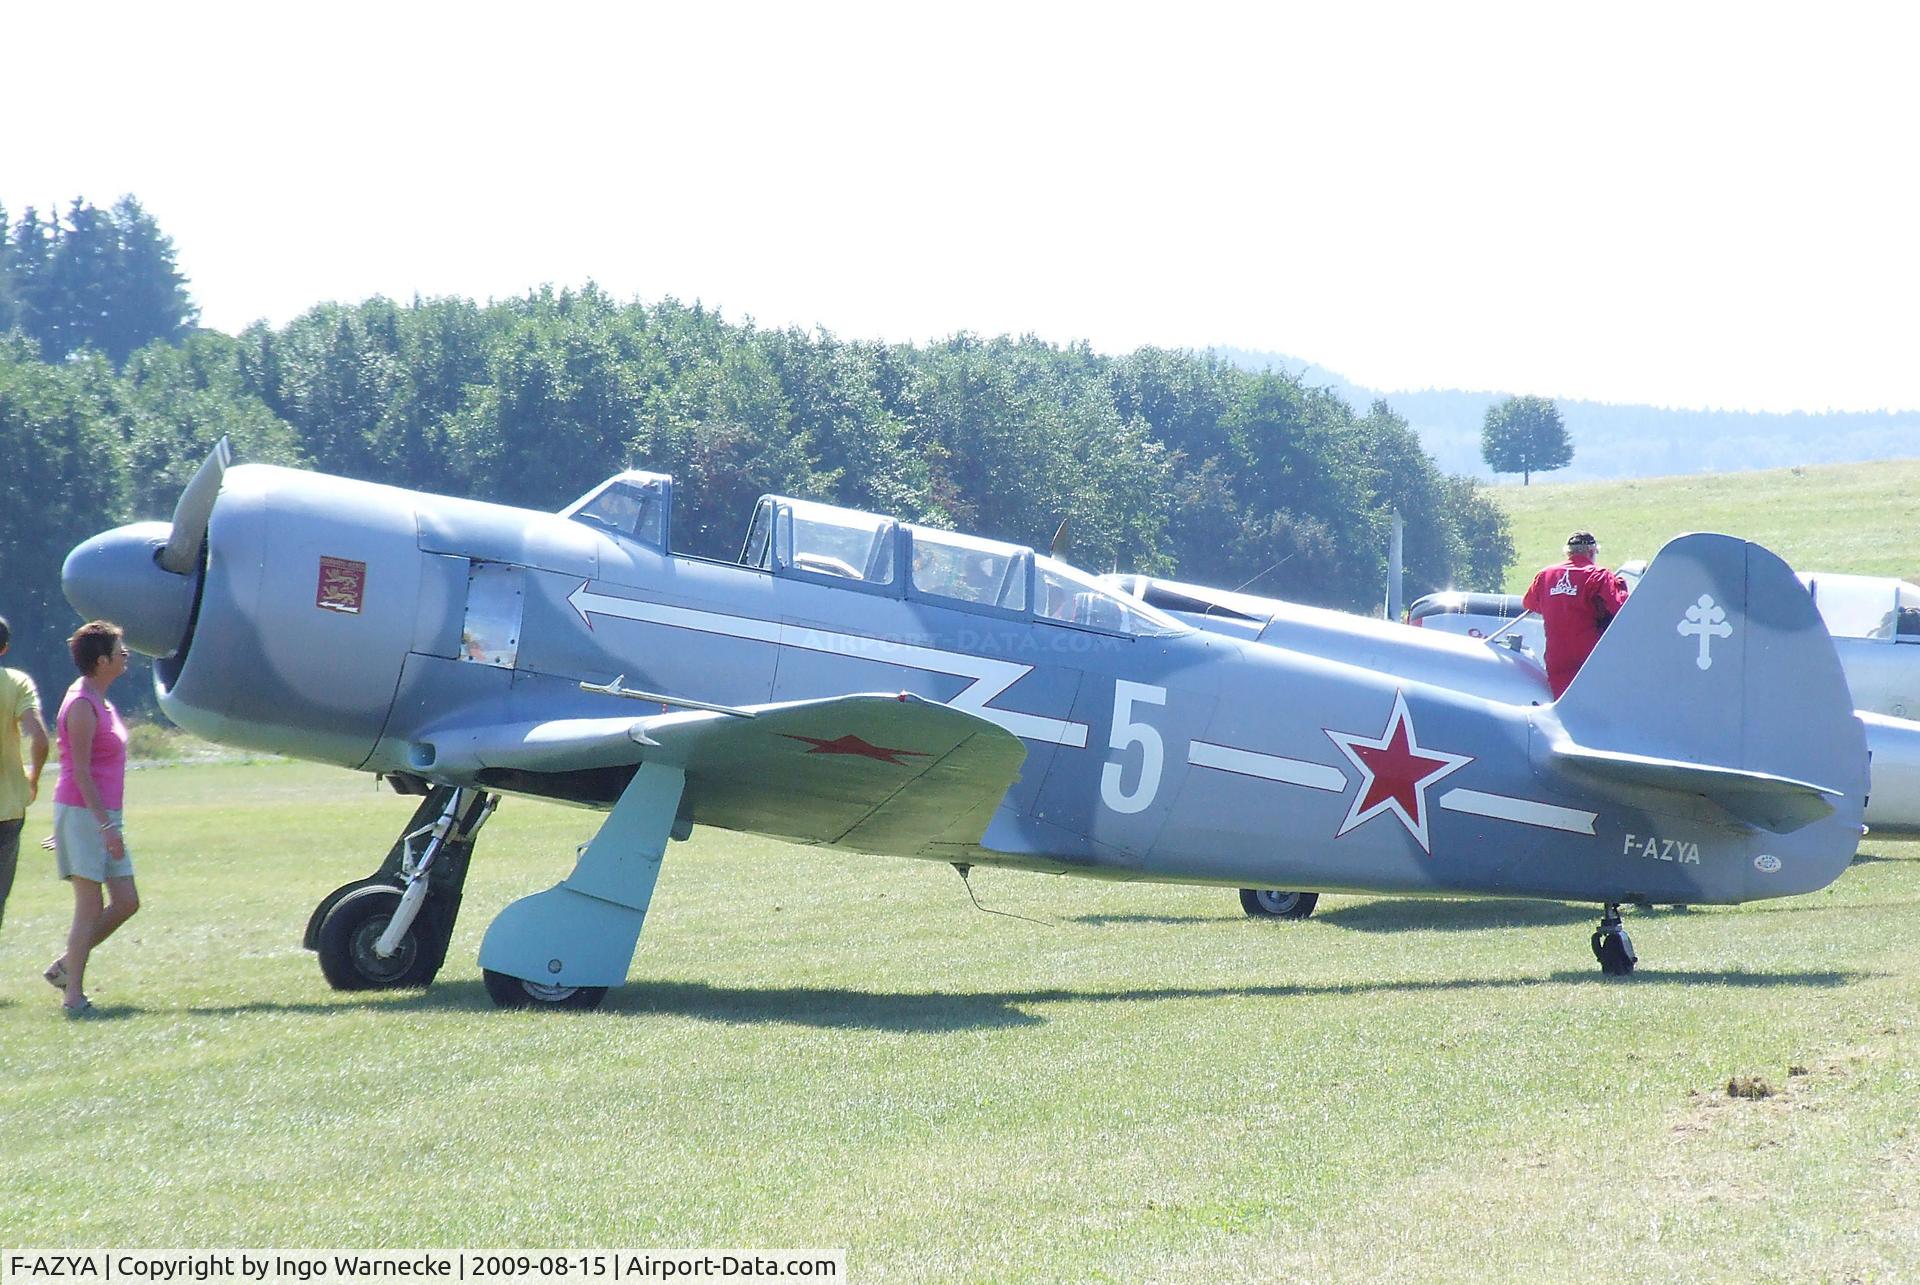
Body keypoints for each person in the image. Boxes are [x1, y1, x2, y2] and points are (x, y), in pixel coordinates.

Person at [43, 621, 139, 1018]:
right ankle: (74, 996)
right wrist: (101, 826)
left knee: (127, 901)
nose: (125, 655)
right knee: (89, 905)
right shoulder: (81, 704)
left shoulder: (102, 699)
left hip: (98, 813)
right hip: (86, 813)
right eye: (120, 650)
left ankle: (66, 966)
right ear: (102, 661)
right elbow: (78, 772)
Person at [1523, 531, 1630, 699]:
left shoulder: (1545, 575)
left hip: (1556, 657)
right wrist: (1621, 587)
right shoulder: (1599, 576)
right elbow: (1622, 608)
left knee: (1562, 708)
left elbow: (1530, 604)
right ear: (1591, 551)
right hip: (1590, 657)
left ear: (1568, 552)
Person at [1, 615, 51, 937]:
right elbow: (40, 737)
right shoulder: (17, 683)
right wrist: (33, 777)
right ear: (4, 648)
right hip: (7, 808)